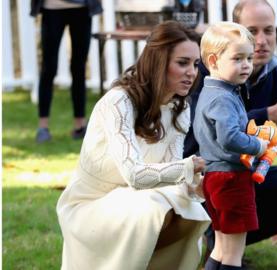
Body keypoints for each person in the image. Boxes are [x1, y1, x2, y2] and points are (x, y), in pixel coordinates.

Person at [56, 21, 211, 270]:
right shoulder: (119, 102)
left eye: (195, 64)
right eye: (182, 63)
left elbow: (170, 174)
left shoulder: (179, 109)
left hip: (134, 199)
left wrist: (196, 184)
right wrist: (186, 167)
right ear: (159, 62)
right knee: (153, 207)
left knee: (189, 209)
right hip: (90, 206)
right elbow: (135, 176)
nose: (192, 72)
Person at [184, 0, 277, 247]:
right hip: (201, 173)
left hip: (243, 175)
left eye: (269, 30)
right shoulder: (206, 72)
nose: (262, 40)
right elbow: (200, 135)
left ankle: (229, 241)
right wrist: (269, 114)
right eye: (252, 31)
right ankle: (217, 238)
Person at [194, 22, 270, 270]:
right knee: (234, 254)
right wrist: (257, 145)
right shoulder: (224, 98)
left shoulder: (209, 91)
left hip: (213, 177)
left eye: (249, 57)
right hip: (231, 178)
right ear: (214, 61)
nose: (247, 64)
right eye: (238, 58)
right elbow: (229, 138)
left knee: (220, 246)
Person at [30, 0, 102, 143]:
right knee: (48, 69)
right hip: (52, 8)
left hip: (81, 7)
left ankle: (80, 126)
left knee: (79, 68)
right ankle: (43, 128)